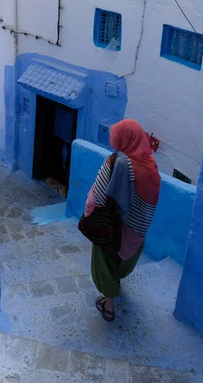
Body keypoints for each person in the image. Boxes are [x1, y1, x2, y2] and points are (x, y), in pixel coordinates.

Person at [84, 119, 161, 322]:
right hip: (137, 229)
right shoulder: (151, 166)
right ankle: (116, 283)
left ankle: (108, 306)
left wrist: (88, 211)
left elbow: (98, 197)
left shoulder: (115, 163)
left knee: (105, 261)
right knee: (120, 261)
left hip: (114, 227)